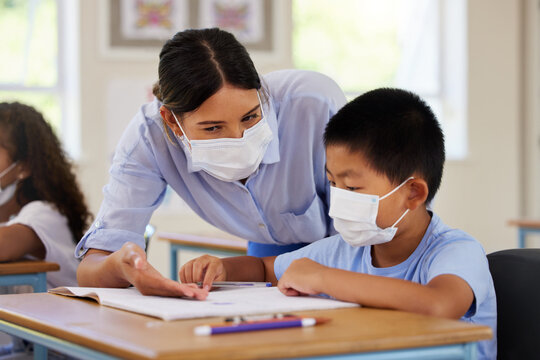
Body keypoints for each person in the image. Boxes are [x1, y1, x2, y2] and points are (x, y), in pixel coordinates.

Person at [180, 88, 497, 360]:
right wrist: (223, 269)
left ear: (413, 193)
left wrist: (323, 277)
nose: (339, 199)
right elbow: (265, 269)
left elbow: (439, 304)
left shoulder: (457, 250)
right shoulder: (346, 250)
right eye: (332, 183)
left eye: (353, 188)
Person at [76, 28, 346, 297]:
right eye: (213, 128)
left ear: (261, 91)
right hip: (266, 253)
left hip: (343, 250)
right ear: (172, 121)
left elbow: (357, 248)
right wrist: (122, 267)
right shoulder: (148, 138)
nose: (239, 139)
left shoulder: (314, 104)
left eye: (250, 118)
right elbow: (91, 268)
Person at [0, 102, 92, 356]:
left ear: (24, 167)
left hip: (65, 349)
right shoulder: (11, 216)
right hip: (33, 346)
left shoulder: (45, 213)